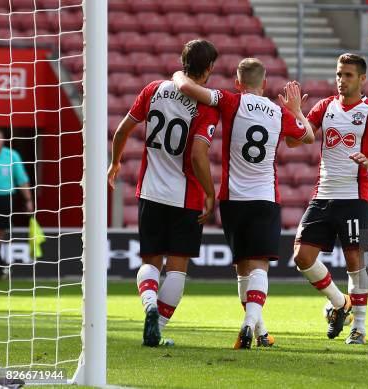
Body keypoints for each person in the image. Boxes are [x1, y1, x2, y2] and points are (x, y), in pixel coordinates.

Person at [173, 58, 315, 349]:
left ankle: (255, 330)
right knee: (259, 267)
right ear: (264, 84)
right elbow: (308, 137)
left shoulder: (229, 101)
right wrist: (297, 111)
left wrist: (178, 74)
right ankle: (253, 327)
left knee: (242, 268)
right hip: (264, 198)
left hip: (233, 199)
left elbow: (188, 87)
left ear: (238, 83)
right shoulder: (278, 112)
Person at [107, 39, 219, 347]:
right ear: (209, 69)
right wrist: (211, 193)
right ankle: (157, 328)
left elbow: (121, 131)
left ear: (182, 61)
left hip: (151, 192)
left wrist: (115, 163)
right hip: (186, 197)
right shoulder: (205, 105)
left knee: (150, 261)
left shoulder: (153, 89)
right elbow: (198, 155)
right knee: (177, 271)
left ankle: (149, 306)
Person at [293, 53, 368, 344]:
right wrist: (296, 114)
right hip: (322, 195)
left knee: (356, 261)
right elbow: (294, 140)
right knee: (301, 256)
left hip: (355, 198)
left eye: (348, 75)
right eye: (339, 74)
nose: (341, 80)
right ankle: (340, 303)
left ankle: (359, 327)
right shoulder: (324, 106)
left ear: (362, 79)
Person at [0, 128, 33, 279]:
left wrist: (28, 200)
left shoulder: (11, 156)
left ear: (3, 140)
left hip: (4, 198)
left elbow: (22, 180)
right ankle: (0, 267)